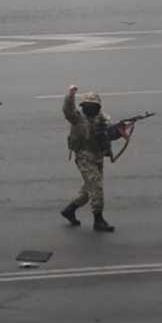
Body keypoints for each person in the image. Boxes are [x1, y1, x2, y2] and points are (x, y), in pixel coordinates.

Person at [61, 85, 115, 232]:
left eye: (93, 106)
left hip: (98, 156)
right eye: (87, 106)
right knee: (96, 186)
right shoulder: (77, 118)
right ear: (83, 106)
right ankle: (98, 220)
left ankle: (69, 210)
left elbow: (110, 133)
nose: (90, 109)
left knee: (88, 190)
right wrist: (70, 95)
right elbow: (67, 110)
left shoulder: (102, 118)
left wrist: (120, 131)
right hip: (84, 156)